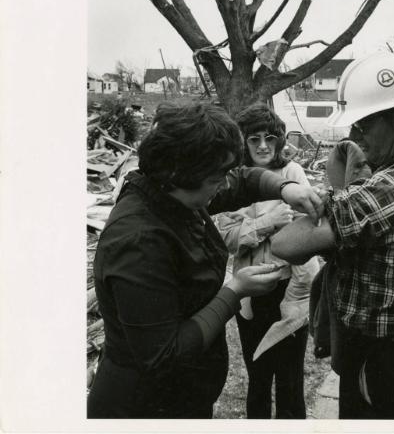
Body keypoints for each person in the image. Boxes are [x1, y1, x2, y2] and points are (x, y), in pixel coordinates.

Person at [87, 102, 322, 419]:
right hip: (144, 407)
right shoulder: (139, 243)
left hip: (183, 397)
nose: (225, 184)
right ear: (183, 172)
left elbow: (241, 180)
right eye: (217, 177)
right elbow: (163, 355)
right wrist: (234, 291)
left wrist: (286, 187)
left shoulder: (172, 191)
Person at [271, 51, 394, 420]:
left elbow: (287, 245)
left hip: (387, 362)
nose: (354, 137)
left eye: (362, 126)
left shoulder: (382, 192)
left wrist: (337, 194)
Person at [217, 103, 319, 419]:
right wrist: (268, 222)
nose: (263, 146)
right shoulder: (231, 182)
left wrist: (255, 227)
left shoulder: (292, 175)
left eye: (270, 139)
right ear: (242, 143)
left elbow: (307, 232)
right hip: (250, 294)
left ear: (279, 141)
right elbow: (225, 235)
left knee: (290, 382)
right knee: (258, 379)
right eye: (254, 139)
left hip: (291, 289)